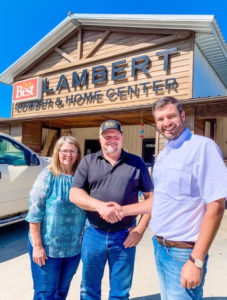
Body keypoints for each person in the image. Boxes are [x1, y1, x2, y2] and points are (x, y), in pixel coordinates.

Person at [116, 96, 227, 299]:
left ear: (182, 116)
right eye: (160, 119)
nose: (166, 123)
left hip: (185, 253)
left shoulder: (202, 147)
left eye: (171, 116)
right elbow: (160, 200)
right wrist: (122, 210)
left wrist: (197, 261)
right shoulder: (165, 155)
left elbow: (217, 206)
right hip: (161, 248)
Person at [69, 119, 153, 300]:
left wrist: (140, 229)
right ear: (100, 139)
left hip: (125, 235)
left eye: (116, 136)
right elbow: (74, 194)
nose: (112, 140)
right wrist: (100, 207)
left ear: (122, 138)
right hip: (94, 233)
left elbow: (151, 200)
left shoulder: (137, 163)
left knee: (120, 291)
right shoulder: (89, 161)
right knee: (88, 289)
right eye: (107, 137)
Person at [25, 136, 86, 300]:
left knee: (61, 291)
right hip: (47, 249)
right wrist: (37, 246)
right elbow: (34, 212)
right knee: (45, 293)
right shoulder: (48, 175)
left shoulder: (82, 179)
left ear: (78, 154)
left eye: (72, 151)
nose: (68, 155)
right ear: (57, 153)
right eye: (64, 151)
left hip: (73, 248)